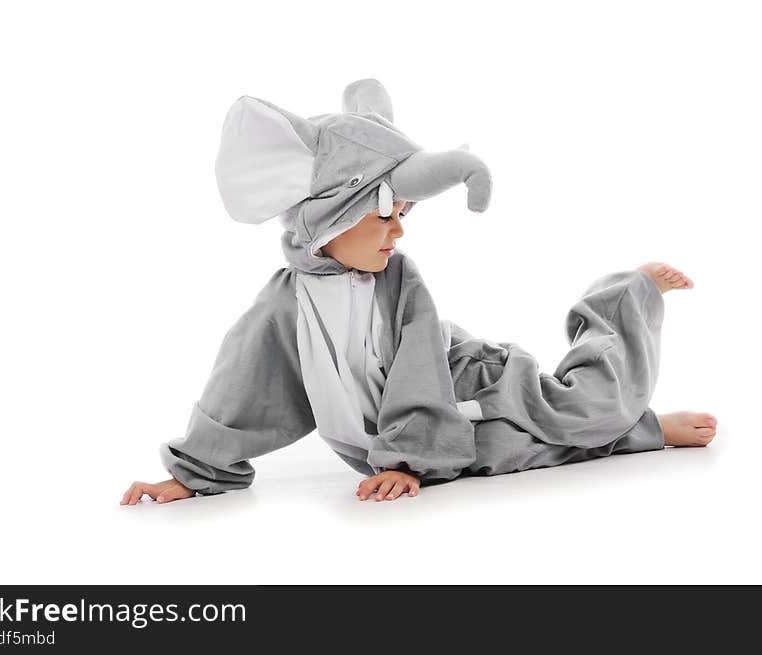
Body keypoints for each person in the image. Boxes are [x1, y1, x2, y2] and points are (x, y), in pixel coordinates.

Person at [120, 79, 717, 506]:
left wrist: (408, 461)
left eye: (404, 213)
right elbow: (244, 383)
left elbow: (417, 367)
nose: (398, 232)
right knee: (509, 455)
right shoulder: (286, 303)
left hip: (456, 380)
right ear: (329, 217)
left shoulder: (400, 281)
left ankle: (620, 302)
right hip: (404, 435)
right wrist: (194, 473)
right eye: (385, 215)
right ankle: (647, 432)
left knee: (586, 411)